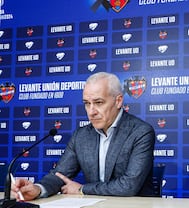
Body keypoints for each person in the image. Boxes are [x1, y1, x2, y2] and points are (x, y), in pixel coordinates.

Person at [12, 72, 156, 200]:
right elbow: (60, 175)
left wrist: (82, 189)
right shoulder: (81, 136)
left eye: (98, 103)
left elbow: (128, 186)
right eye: (87, 104)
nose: (91, 111)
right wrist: (38, 189)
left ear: (118, 101)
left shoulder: (140, 132)